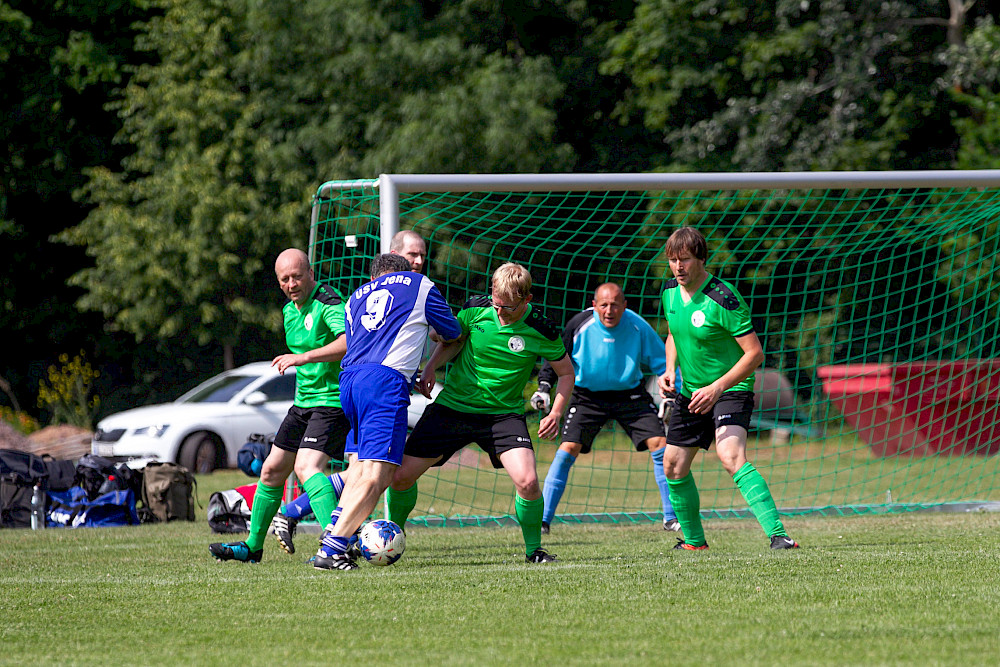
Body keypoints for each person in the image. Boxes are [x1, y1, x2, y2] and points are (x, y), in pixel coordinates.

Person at [385, 263, 575, 564]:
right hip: (454, 408)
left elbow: (566, 373)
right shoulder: (475, 308)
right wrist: (433, 365)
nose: (500, 312)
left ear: (527, 299)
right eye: (497, 303)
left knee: (527, 481)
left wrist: (556, 411)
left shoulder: (543, 328)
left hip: (503, 416)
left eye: (508, 309)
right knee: (400, 478)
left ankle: (534, 550)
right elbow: (455, 340)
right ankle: (392, 537)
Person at [269, 230, 429, 555]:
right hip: (356, 393)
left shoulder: (350, 297)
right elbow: (351, 343)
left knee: (373, 471)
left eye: (422, 255)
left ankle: (305, 521)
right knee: (372, 471)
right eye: (412, 255)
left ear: (309, 274)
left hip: (347, 392)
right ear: (395, 256)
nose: (419, 261)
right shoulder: (370, 296)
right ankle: (337, 542)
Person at [313, 253, 462, 570]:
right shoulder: (418, 284)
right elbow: (452, 331)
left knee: (358, 468)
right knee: (379, 474)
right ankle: (333, 548)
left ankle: (335, 530)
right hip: (385, 382)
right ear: (404, 271)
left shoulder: (355, 298)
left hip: (350, 383)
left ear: (373, 278)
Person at [656, 227, 799, 550]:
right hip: (692, 391)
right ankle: (694, 542)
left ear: (702, 259)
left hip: (731, 388)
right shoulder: (669, 292)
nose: (678, 267)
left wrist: (718, 387)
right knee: (673, 465)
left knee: (730, 455)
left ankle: (780, 536)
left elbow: (755, 354)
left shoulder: (724, 297)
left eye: (686, 260)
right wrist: (669, 369)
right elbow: (674, 335)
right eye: (673, 260)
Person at [210, 248, 350, 563]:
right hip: (303, 404)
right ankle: (252, 547)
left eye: (296, 276)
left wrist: (303, 358)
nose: (291, 283)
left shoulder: (327, 301)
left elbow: (347, 342)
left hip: (331, 402)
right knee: (272, 470)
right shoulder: (289, 311)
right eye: (284, 279)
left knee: (307, 468)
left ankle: (338, 545)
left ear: (310, 273)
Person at [532, 282, 679, 534]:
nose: (609, 311)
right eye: (603, 305)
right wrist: (544, 386)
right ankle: (542, 520)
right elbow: (555, 358)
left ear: (624, 306)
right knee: (568, 448)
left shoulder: (637, 325)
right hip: (586, 397)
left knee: (661, 445)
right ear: (594, 306)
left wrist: (672, 391)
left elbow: (663, 363)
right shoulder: (578, 325)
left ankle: (671, 517)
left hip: (630, 394)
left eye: (614, 305)